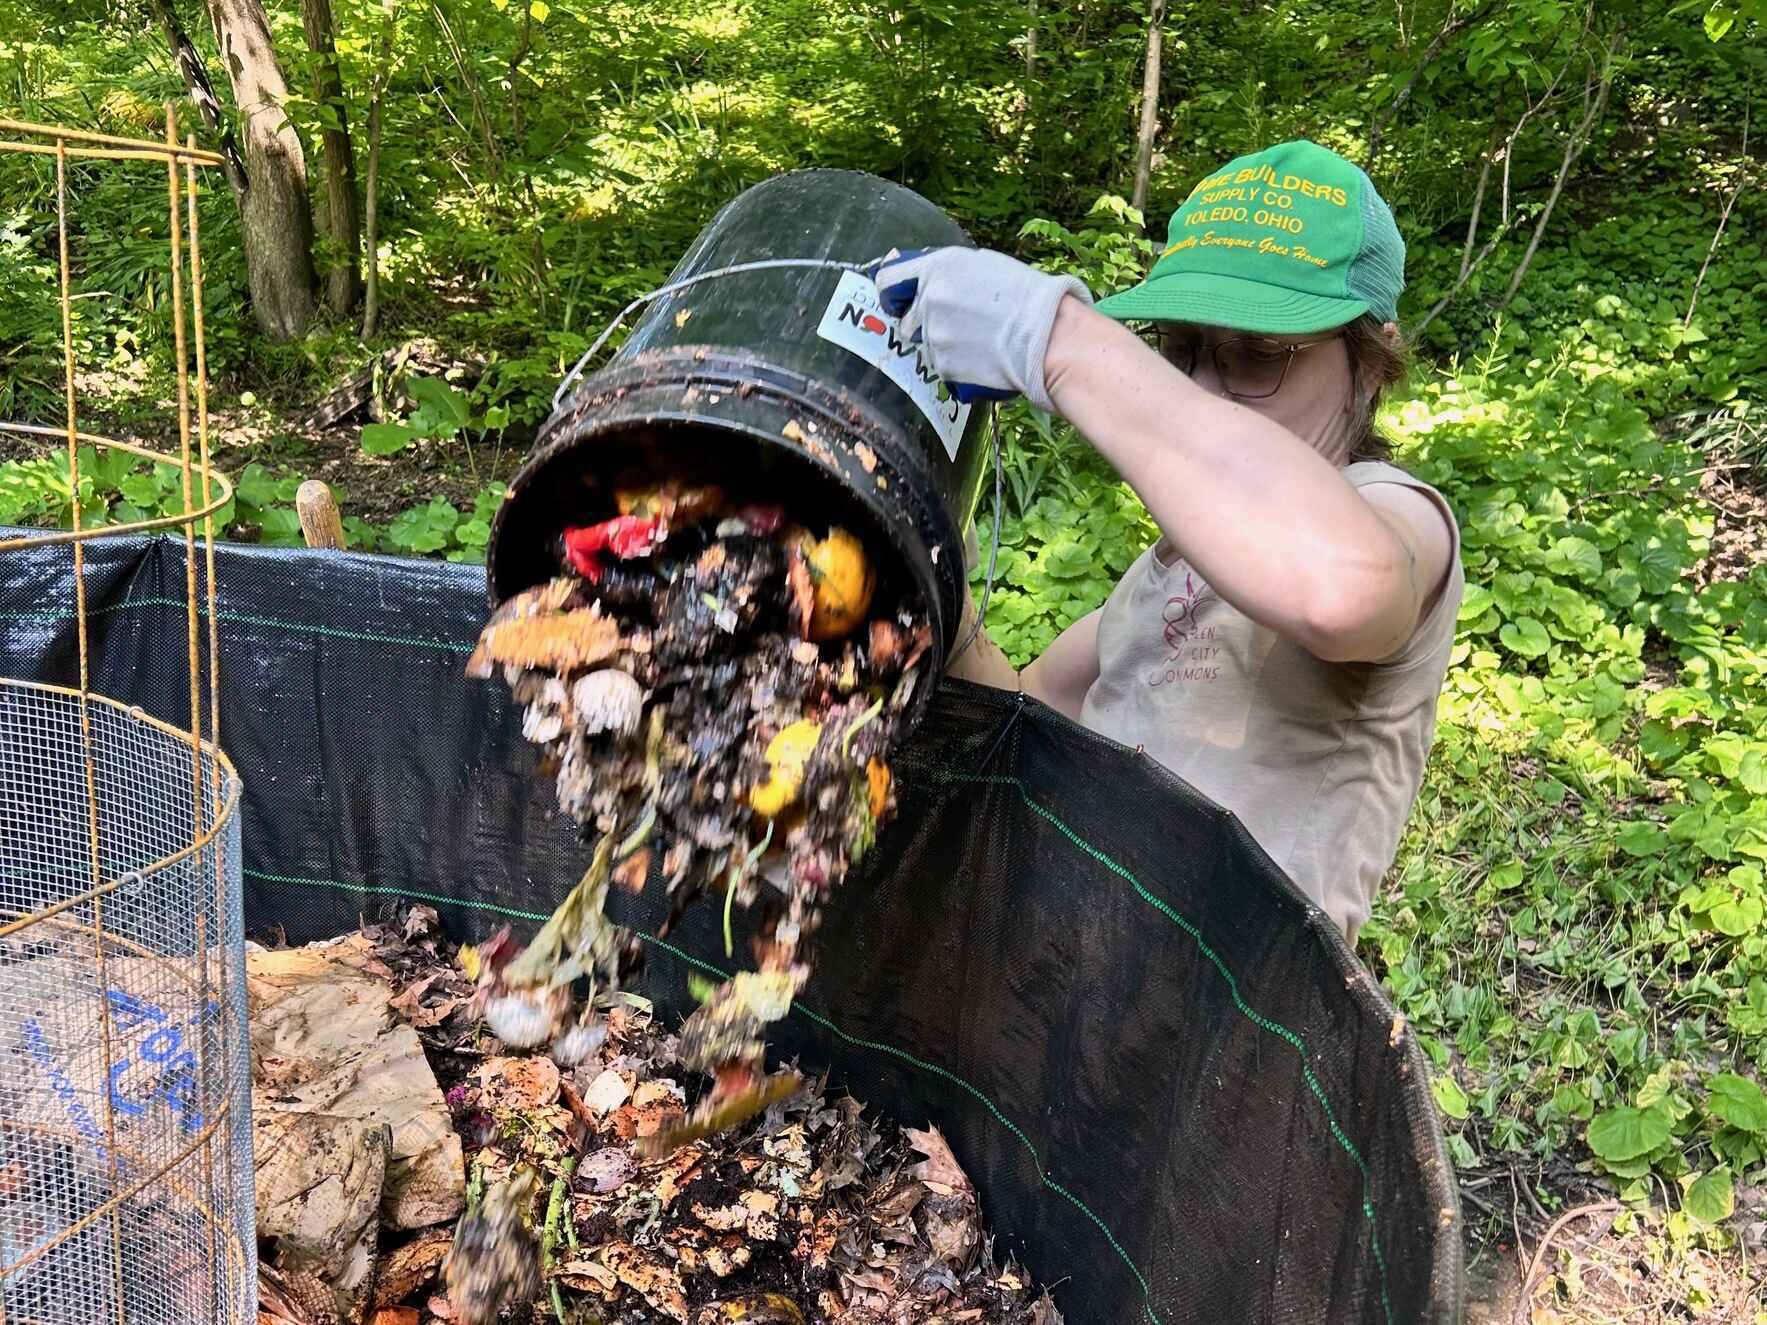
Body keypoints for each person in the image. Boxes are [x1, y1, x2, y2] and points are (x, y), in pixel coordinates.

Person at [874, 139, 1464, 946]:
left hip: (1220, 1022)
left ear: (1371, 361)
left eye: (1256, 357)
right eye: (1184, 353)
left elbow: (1344, 591)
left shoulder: (1393, 514)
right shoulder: (1175, 566)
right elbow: (1017, 710)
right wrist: (925, 561)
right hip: (1070, 975)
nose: (1208, 392)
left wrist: (1056, 342)